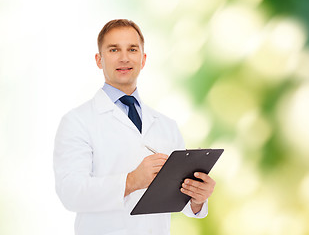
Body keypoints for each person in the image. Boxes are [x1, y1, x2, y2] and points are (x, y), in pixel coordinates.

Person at [53, 19, 216, 235]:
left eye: (132, 49)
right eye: (113, 50)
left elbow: (179, 200)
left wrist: (197, 197)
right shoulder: (77, 122)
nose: (124, 58)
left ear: (143, 59)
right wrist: (130, 181)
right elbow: (71, 193)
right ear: (99, 60)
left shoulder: (166, 125)